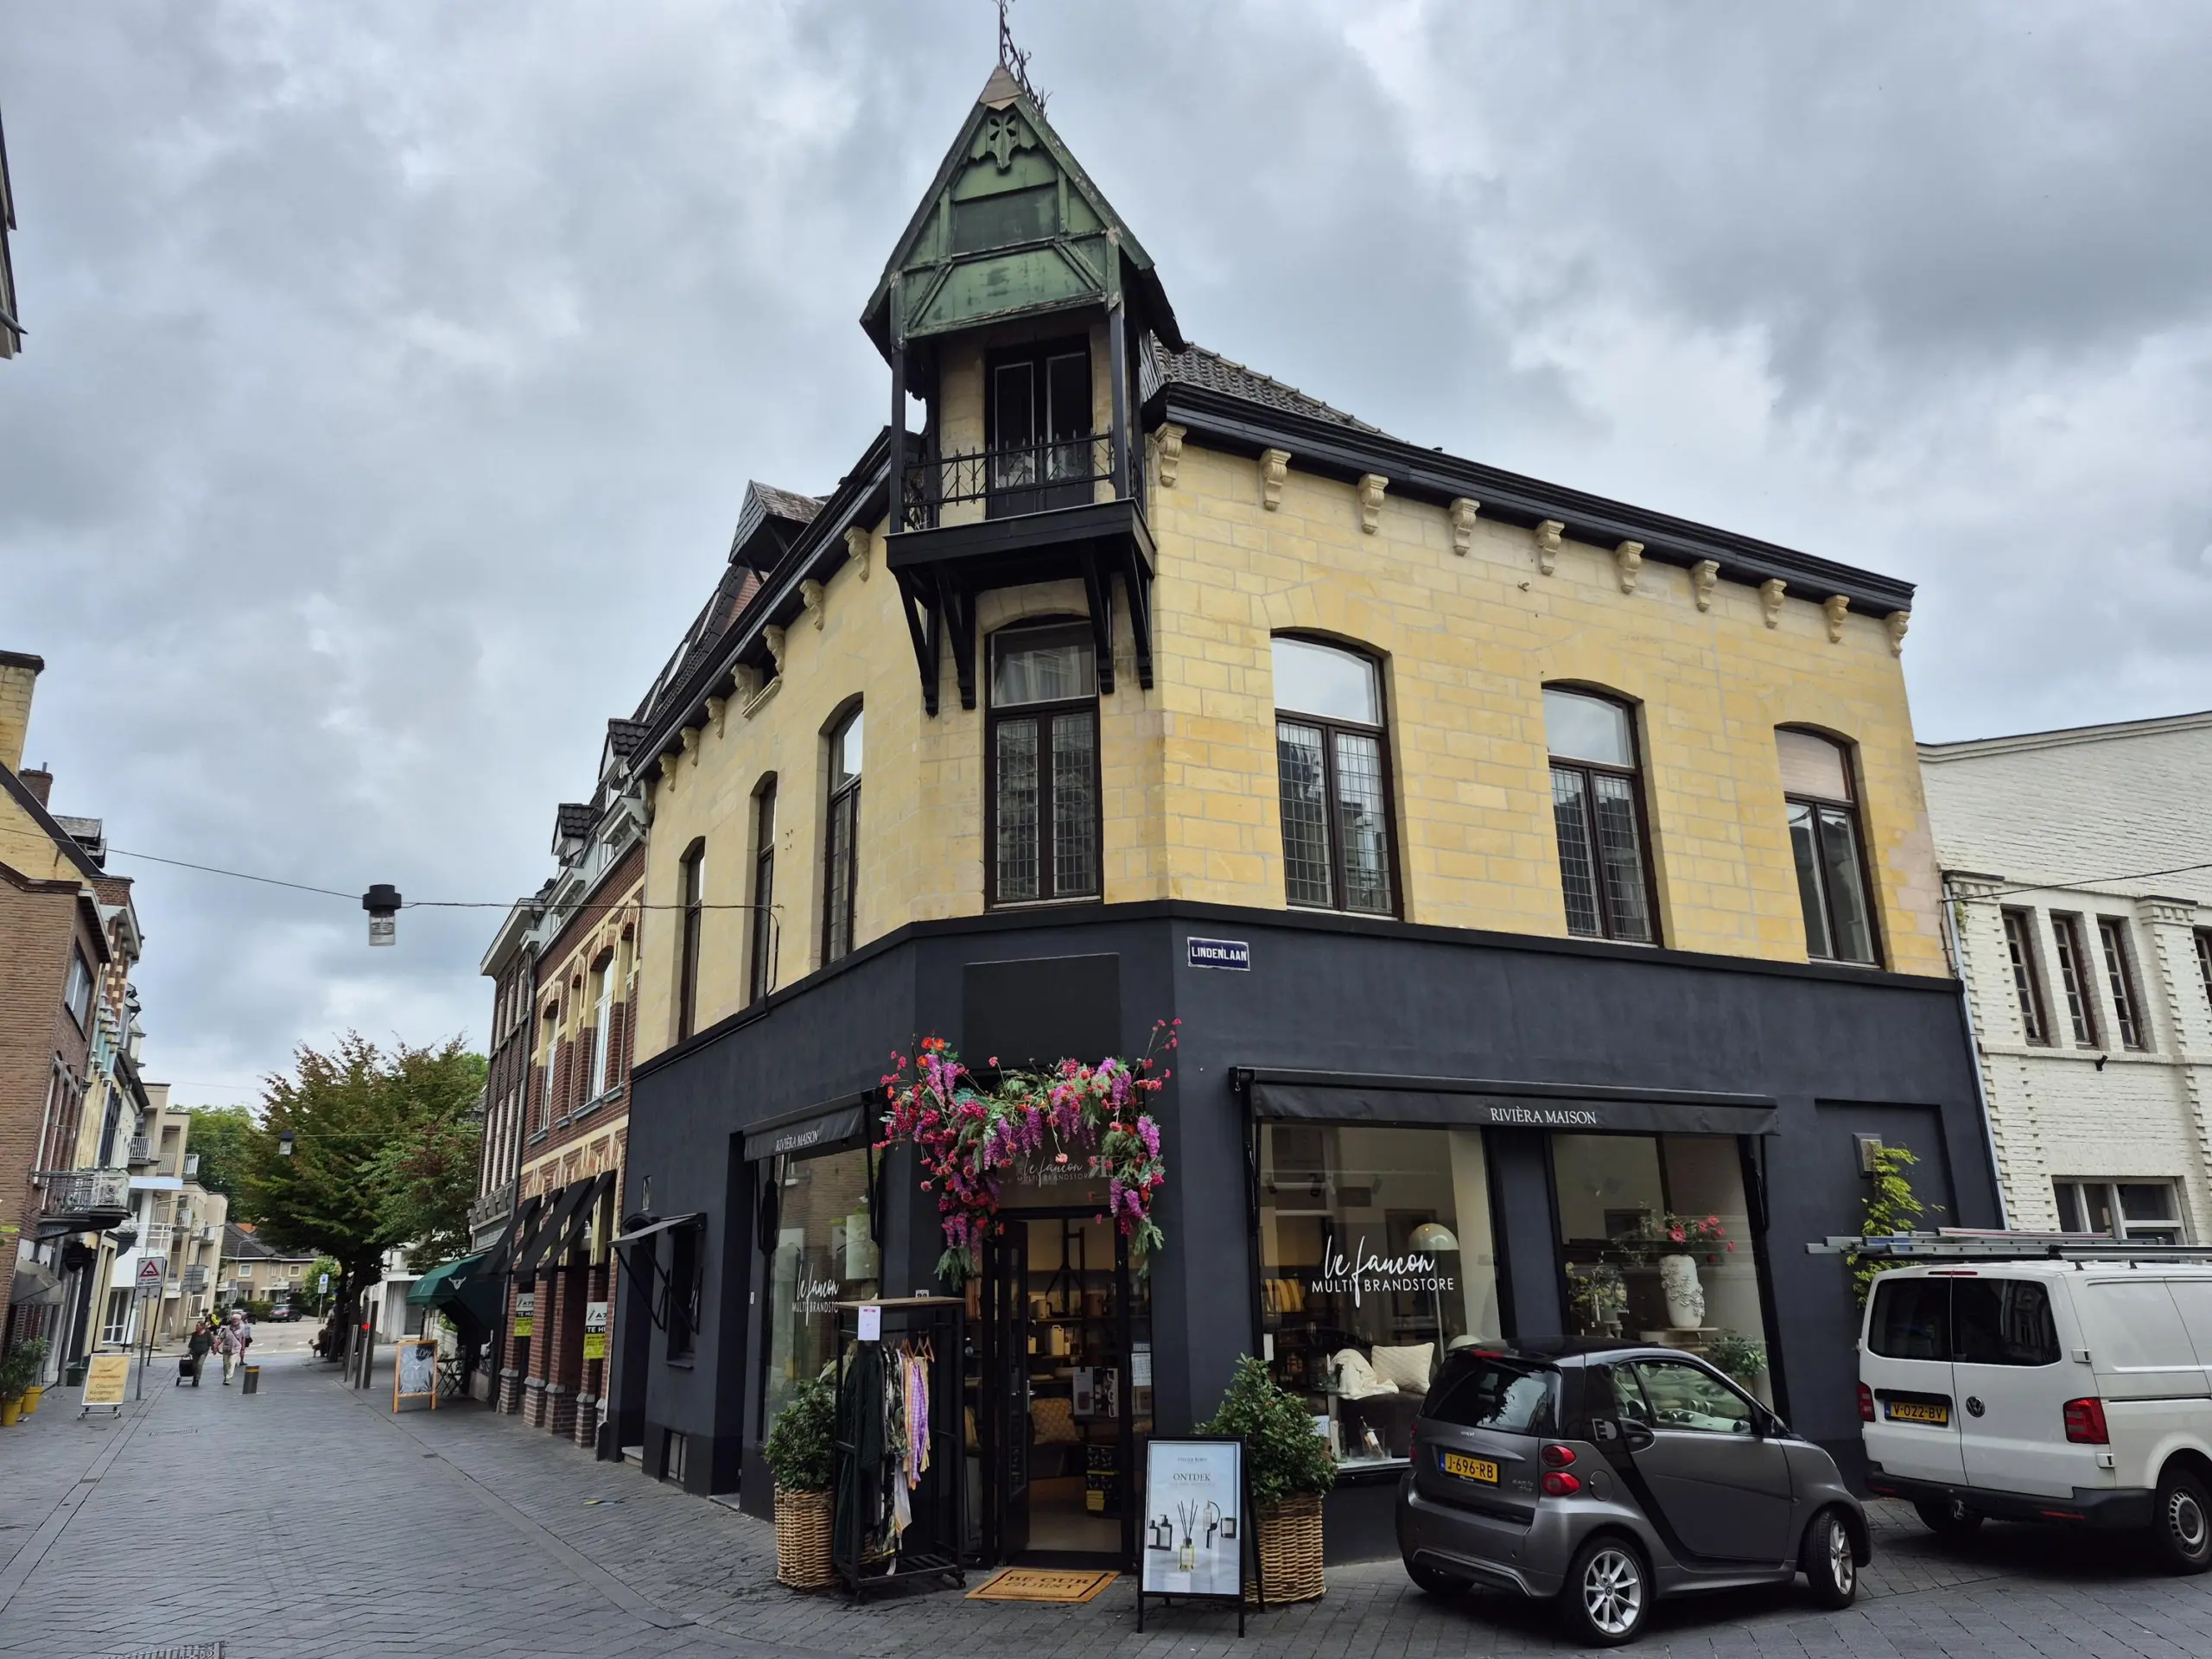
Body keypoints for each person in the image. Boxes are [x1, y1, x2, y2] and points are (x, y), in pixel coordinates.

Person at [183, 1321, 213, 1388]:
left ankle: (197, 1379)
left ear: (202, 1327)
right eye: (196, 1326)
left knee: (199, 1364)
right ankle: (194, 1377)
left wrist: (214, 1349)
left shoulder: (207, 1333)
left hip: (204, 1351)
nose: (196, 1327)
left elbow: (211, 1342)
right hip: (195, 1352)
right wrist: (187, 1352)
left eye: (198, 1326)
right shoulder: (194, 1334)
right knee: (194, 1366)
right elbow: (191, 1344)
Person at [216, 1312, 242, 1384]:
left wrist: (242, 1349)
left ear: (239, 1320)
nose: (234, 1320)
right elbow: (221, 1338)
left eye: (236, 1319)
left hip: (236, 1348)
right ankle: (226, 1377)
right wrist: (216, 1346)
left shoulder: (242, 1328)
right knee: (225, 1364)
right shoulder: (227, 1328)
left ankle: (228, 1378)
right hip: (226, 1348)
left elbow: (243, 1338)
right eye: (233, 1319)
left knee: (231, 1363)